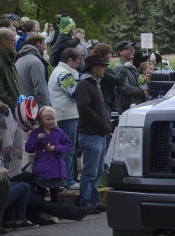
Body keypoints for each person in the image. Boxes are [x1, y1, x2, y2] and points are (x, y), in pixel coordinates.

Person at [75, 54, 111, 212]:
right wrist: (101, 122)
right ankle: (86, 203)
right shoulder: (84, 84)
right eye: (102, 66)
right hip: (91, 134)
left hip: (99, 133)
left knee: (97, 171)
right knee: (90, 171)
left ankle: (95, 202)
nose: (104, 69)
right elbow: (84, 108)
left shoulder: (94, 83)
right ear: (94, 68)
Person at [0, 28, 24, 174]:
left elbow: (16, 84)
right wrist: (12, 105)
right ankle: (7, 181)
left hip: (17, 110)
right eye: (13, 40)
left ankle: (16, 178)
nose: (15, 43)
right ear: (3, 41)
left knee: (18, 150)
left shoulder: (9, 58)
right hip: (6, 113)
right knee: (6, 152)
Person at [48, 47, 82, 189]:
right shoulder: (64, 74)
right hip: (67, 116)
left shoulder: (59, 71)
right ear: (69, 60)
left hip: (64, 115)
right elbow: (74, 93)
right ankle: (68, 181)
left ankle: (68, 179)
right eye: (76, 63)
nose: (77, 66)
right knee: (68, 150)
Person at [25, 106, 70, 203]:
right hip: (42, 167)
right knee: (40, 192)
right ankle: (40, 213)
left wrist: (55, 148)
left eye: (53, 118)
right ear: (41, 120)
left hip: (56, 167)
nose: (51, 121)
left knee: (55, 193)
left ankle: (55, 213)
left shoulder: (59, 132)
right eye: (48, 119)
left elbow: (68, 146)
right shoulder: (36, 132)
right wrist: (37, 139)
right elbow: (28, 148)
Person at [16, 33, 51, 106]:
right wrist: (45, 108)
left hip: (23, 108)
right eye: (44, 44)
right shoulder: (35, 62)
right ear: (38, 44)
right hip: (34, 110)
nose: (45, 47)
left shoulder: (18, 61)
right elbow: (40, 89)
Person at [93, 43, 123, 122]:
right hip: (103, 104)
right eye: (109, 53)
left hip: (106, 104)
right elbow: (119, 80)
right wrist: (125, 68)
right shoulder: (102, 70)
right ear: (103, 55)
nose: (111, 55)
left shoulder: (103, 68)